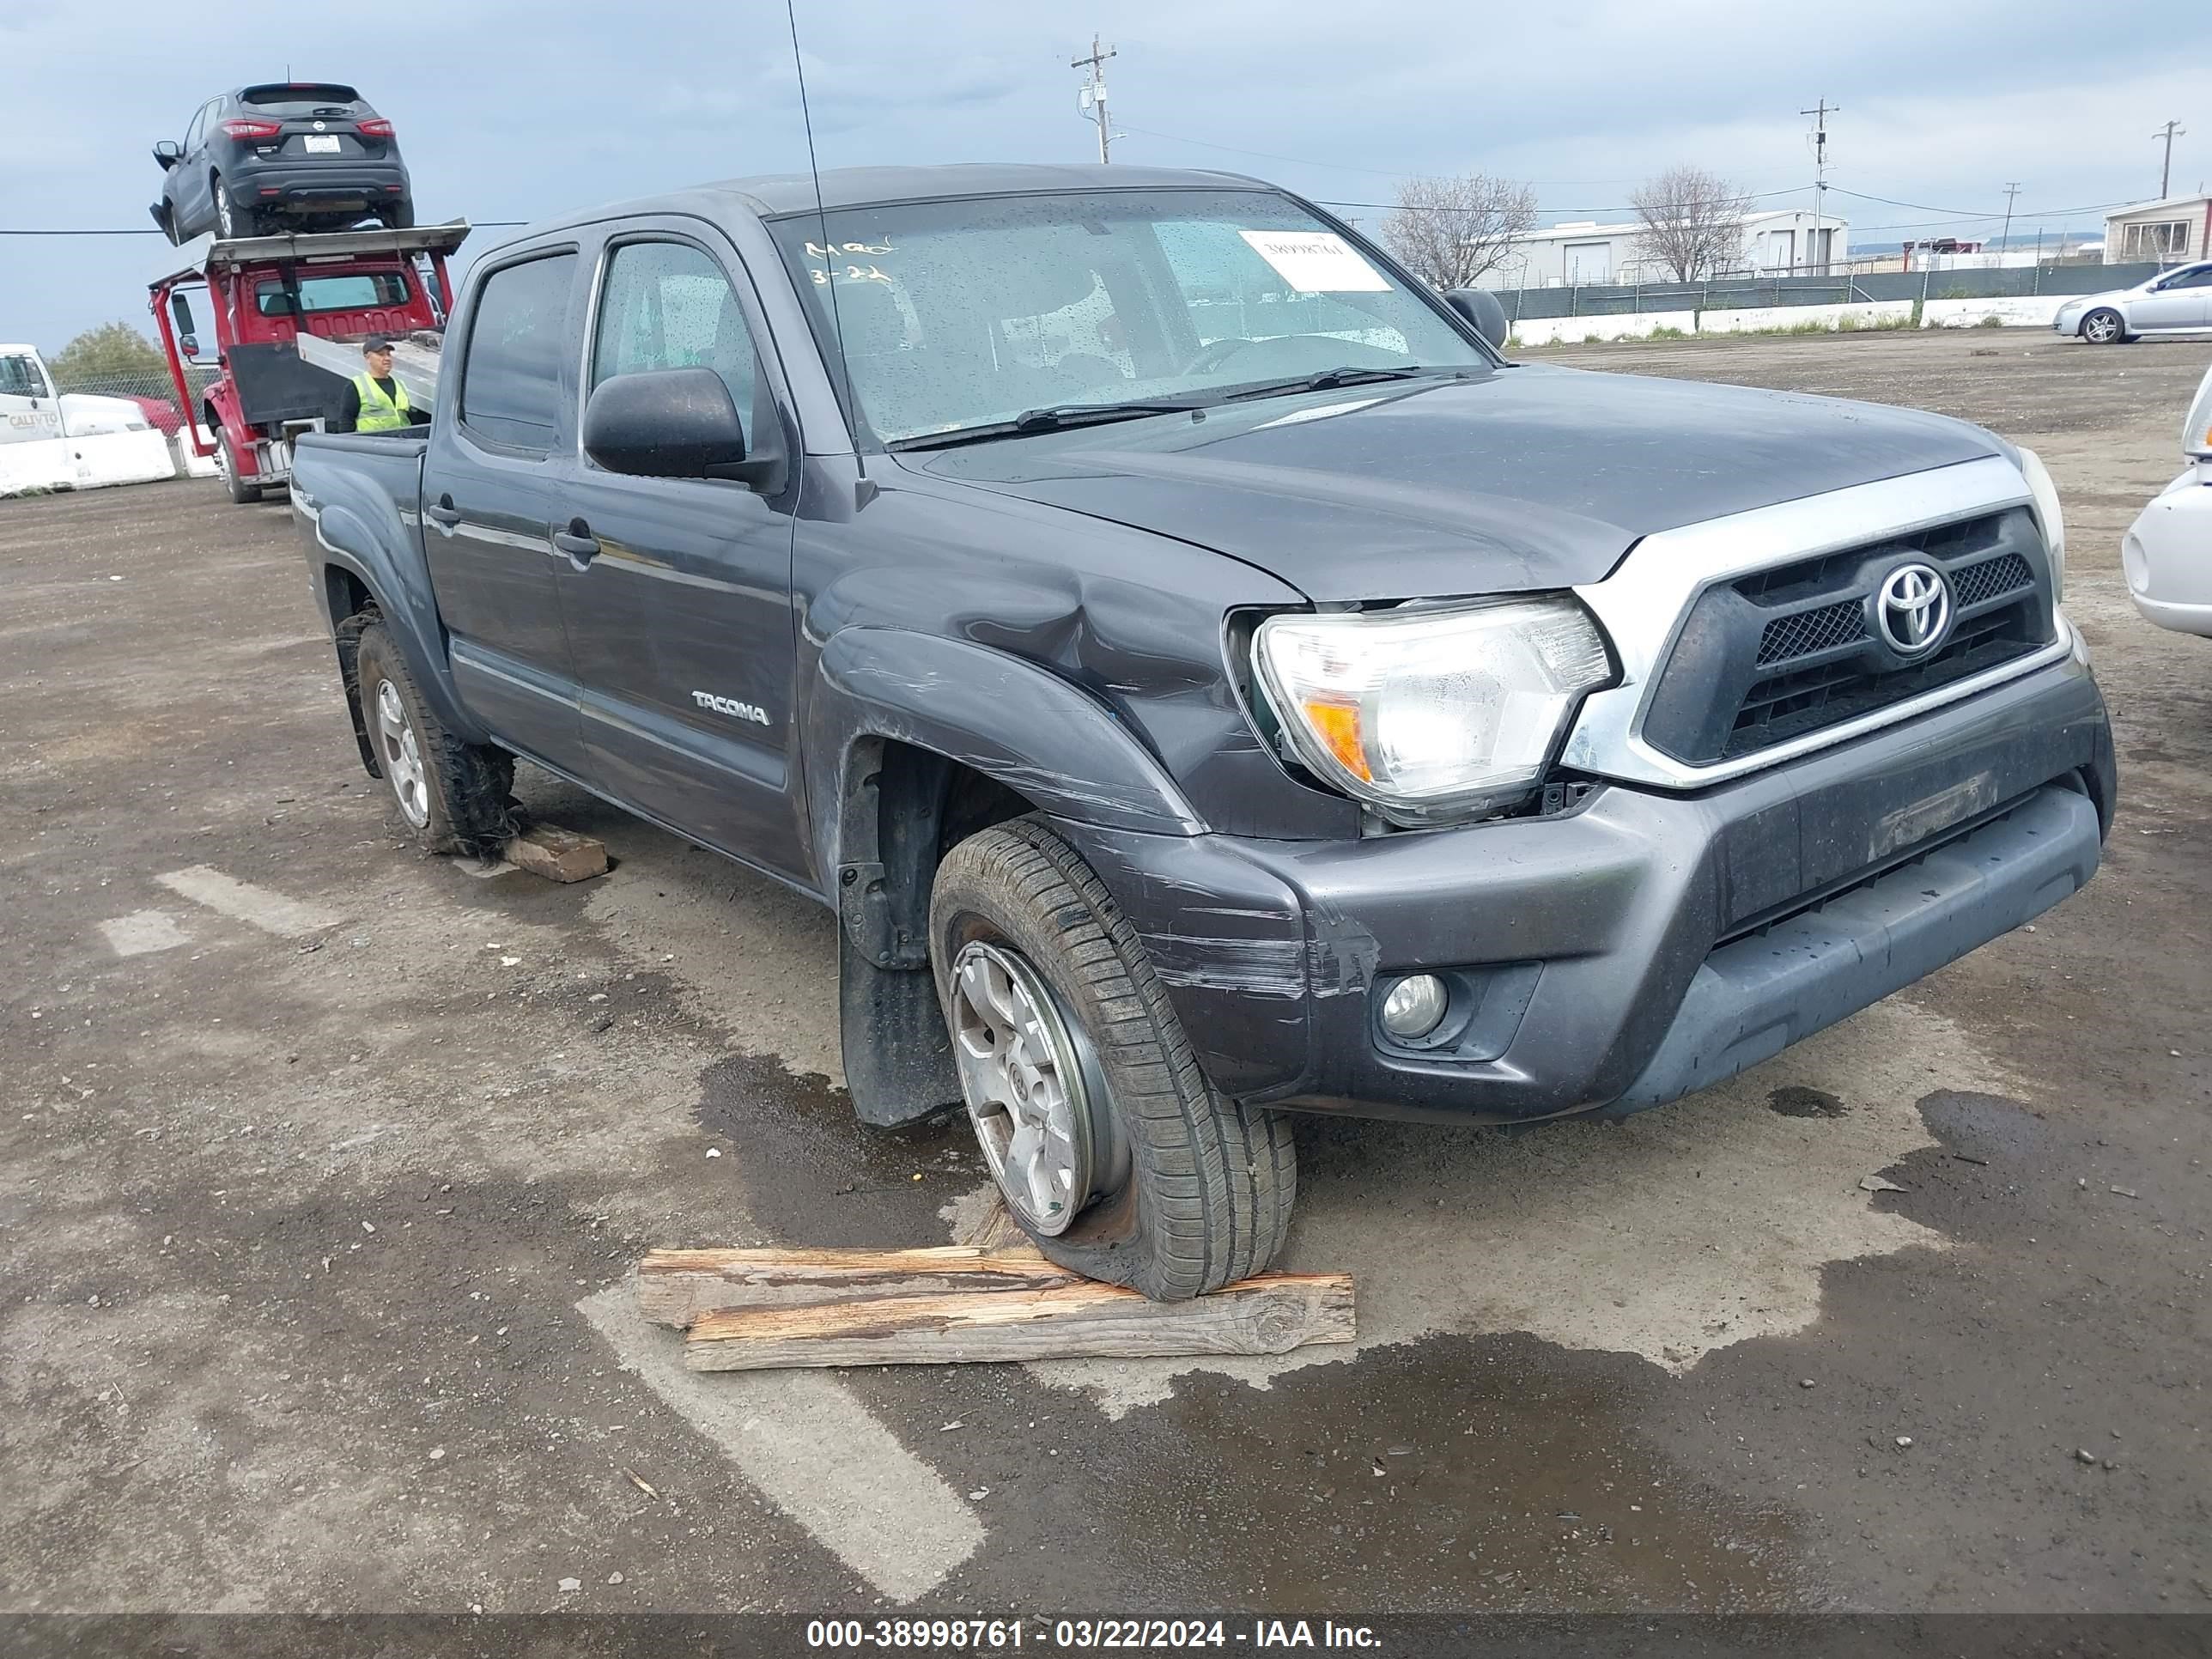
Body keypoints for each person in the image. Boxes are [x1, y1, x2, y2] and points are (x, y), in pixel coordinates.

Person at [330, 335, 429, 434]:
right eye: (381, 354)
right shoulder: (357, 386)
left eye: (388, 354)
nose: (387, 358)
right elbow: (346, 422)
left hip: (402, 444)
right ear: (367, 358)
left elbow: (407, 417)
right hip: (373, 446)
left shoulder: (399, 384)